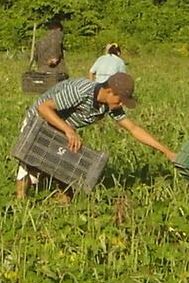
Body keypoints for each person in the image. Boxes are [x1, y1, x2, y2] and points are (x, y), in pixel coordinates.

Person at [15, 69, 175, 198]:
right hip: (38, 121)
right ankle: (20, 203)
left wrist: (166, 151)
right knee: (31, 162)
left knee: (66, 166)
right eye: (120, 100)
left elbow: (134, 129)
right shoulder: (81, 90)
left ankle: (61, 201)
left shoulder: (108, 105)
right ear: (110, 91)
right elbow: (43, 108)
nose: (120, 105)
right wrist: (69, 131)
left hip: (61, 128)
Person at [31, 15, 68, 82]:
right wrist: (55, 57)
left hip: (41, 72)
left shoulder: (41, 40)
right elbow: (56, 44)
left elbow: (35, 56)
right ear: (58, 28)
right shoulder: (57, 34)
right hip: (56, 72)